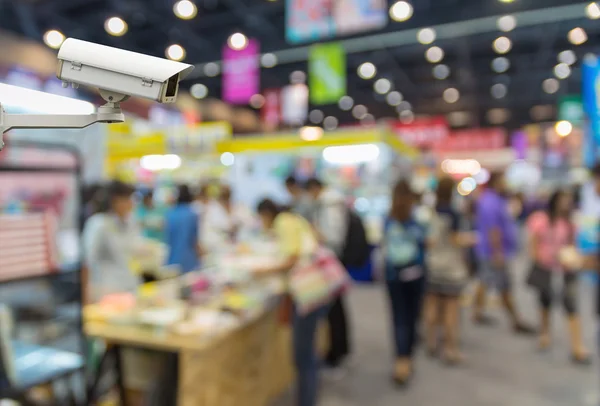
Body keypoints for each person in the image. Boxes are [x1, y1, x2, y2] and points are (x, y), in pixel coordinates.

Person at [254, 199, 328, 406]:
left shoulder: (283, 222)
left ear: (266, 214)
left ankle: (306, 400)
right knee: (307, 350)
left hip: (306, 292)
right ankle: (308, 395)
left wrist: (260, 270)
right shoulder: (294, 219)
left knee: (302, 354)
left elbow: (292, 259)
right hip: (316, 289)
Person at [527, 190, 589, 364]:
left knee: (571, 304)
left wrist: (572, 258)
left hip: (566, 269)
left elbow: (573, 246)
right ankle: (545, 333)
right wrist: (538, 259)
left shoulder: (570, 223)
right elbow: (533, 243)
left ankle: (577, 346)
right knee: (545, 301)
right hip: (545, 268)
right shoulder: (541, 219)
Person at [473, 171, 535, 333]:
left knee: (485, 281)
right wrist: (497, 252)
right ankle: (515, 319)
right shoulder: (491, 202)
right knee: (503, 286)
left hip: (491, 250)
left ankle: (477, 313)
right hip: (493, 251)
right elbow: (493, 229)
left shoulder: (492, 199)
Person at [424, 177, 476, 364]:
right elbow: (455, 240)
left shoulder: (430, 212)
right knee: (451, 309)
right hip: (451, 268)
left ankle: (431, 341)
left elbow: (428, 241)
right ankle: (450, 348)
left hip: (432, 264)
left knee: (431, 305)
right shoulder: (453, 214)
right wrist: (470, 239)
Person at [383, 180, 427, 385]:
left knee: (399, 317)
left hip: (393, 275)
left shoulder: (388, 220)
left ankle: (401, 359)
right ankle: (407, 357)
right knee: (411, 317)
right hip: (416, 273)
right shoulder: (417, 219)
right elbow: (425, 243)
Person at [305, 177, 351, 370]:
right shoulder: (331, 203)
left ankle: (336, 353)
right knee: (336, 309)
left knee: (334, 310)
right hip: (332, 260)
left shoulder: (329, 204)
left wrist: (314, 232)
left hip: (331, 261)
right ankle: (339, 350)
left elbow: (332, 236)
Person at [83, 181, 140, 302]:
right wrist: (85, 296)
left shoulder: (130, 222)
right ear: (115, 201)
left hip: (128, 287)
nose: (131, 203)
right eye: (127, 199)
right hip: (106, 291)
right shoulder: (99, 223)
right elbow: (87, 261)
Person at [201, 185, 253, 254]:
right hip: (217, 246)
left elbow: (248, 222)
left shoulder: (237, 206)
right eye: (223, 193)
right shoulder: (212, 209)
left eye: (227, 193)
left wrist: (236, 226)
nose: (225, 195)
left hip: (237, 245)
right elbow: (210, 230)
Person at [165, 185, 200, 273]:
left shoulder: (170, 214)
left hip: (172, 258)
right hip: (188, 260)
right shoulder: (192, 214)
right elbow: (194, 241)